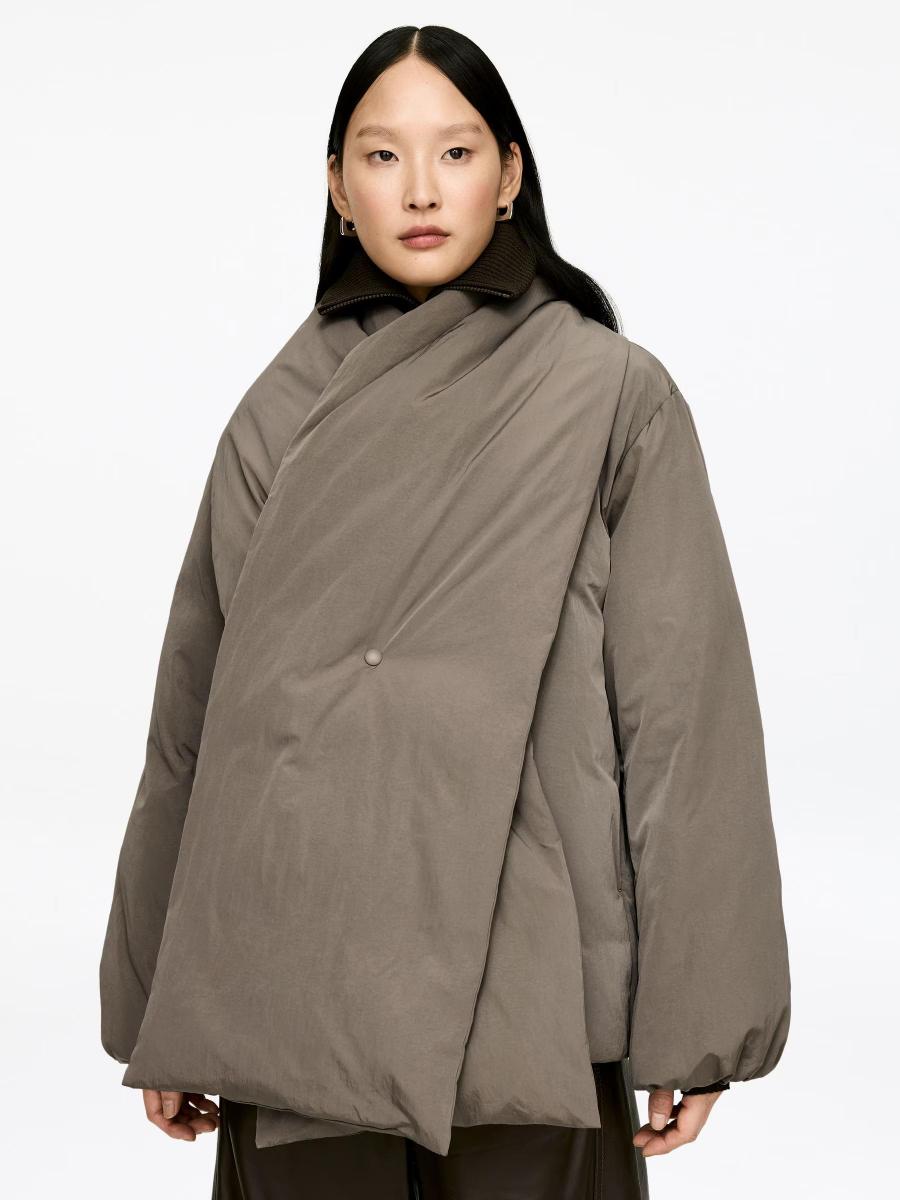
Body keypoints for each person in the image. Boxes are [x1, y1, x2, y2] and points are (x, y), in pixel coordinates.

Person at [99, 25, 790, 1200]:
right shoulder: (276, 410)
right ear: (338, 188)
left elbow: (684, 721)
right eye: (383, 156)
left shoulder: (610, 396)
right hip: (295, 975)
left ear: (510, 174)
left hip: (534, 993)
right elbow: (195, 724)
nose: (420, 189)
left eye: (456, 152)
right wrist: (163, 1000)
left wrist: (701, 1020)